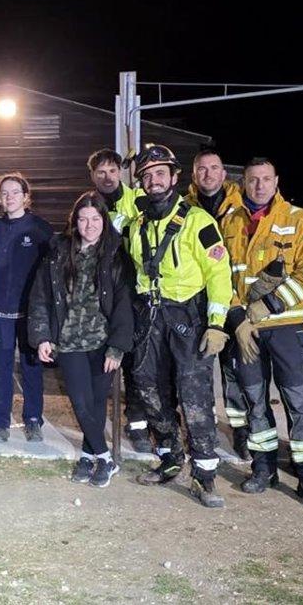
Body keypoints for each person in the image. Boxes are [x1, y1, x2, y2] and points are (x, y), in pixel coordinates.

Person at [125, 145, 233, 508]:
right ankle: (170, 459)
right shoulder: (137, 225)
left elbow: (219, 273)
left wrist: (216, 324)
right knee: (150, 390)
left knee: (195, 397)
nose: (153, 181)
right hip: (150, 317)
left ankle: (205, 476)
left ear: (174, 177)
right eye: (147, 176)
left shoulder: (199, 221)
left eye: (160, 173)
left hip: (188, 317)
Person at [222, 157, 303, 508]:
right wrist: (237, 318)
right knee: (254, 402)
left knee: (299, 405)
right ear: (243, 182)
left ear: (276, 181)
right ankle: (263, 469)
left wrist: (269, 305)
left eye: (266, 179)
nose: (259, 186)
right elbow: (222, 275)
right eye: (253, 179)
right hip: (247, 332)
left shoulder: (300, 219)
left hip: (288, 328)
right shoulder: (230, 222)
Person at [28, 192, 134, 488]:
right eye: (83, 219)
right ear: (74, 222)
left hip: (102, 343)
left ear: (104, 220)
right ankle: (106, 458)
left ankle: (88, 457)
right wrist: (42, 336)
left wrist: (117, 347)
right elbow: (40, 296)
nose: (89, 225)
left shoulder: (116, 254)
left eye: (95, 219)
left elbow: (124, 302)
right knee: (80, 402)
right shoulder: (58, 252)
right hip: (69, 341)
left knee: (97, 404)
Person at [185, 146, 250, 461]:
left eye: (214, 168)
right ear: (194, 174)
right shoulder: (184, 209)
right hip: (197, 305)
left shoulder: (242, 209)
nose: (208, 174)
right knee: (197, 374)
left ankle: (241, 432)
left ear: (224, 174)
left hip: (233, 305)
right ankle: (203, 432)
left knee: (235, 373)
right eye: (202, 168)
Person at [0, 172, 53, 442]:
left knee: (32, 367)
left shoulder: (40, 229)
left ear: (25, 197)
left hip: (31, 313)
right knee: (1, 369)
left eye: (15, 192)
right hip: (0, 311)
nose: (9, 197)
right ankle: (1, 423)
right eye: (4, 193)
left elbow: (52, 268)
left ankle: (33, 420)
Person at [88, 148, 150, 453]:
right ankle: (95, 421)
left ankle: (137, 423)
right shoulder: (89, 206)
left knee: (137, 361)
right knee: (104, 360)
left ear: (121, 172)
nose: (107, 177)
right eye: (101, 172)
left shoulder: (138, 201)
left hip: (135, 291)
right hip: (103, 294)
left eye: (112, 171)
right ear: (92, 176)